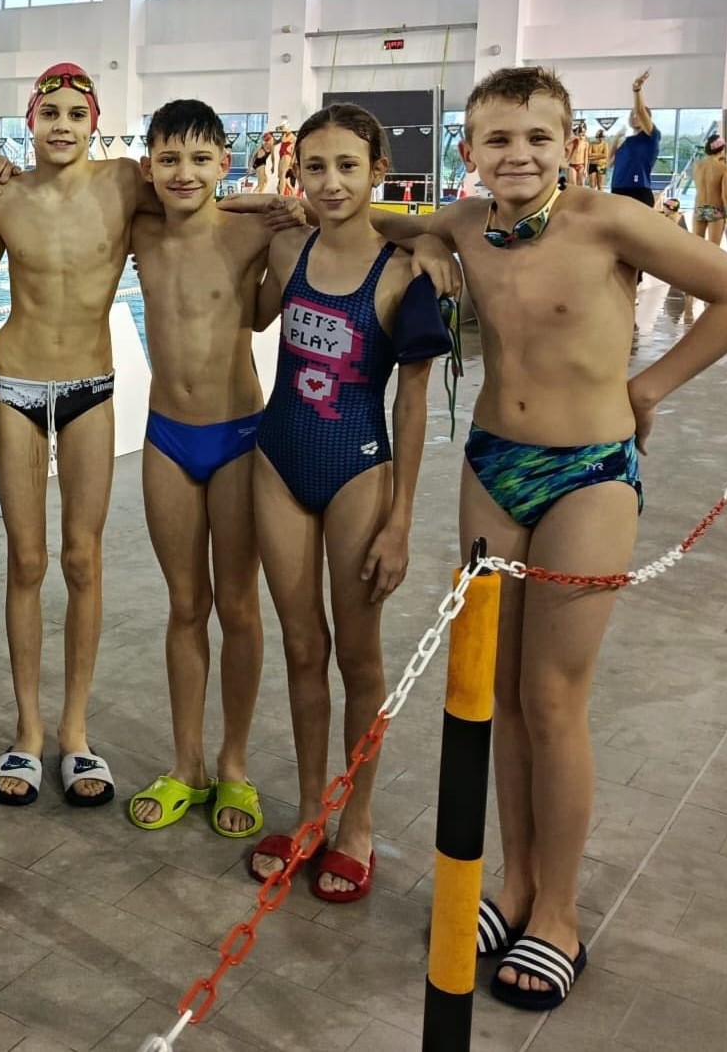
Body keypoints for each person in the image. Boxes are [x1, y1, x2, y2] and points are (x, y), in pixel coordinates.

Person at [376, 66, 727, 1010]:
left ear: (570, 146)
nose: (517, 155)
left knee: (553, 699)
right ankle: (514, 885)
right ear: (469, 150)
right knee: (499, 696)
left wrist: (648, 387)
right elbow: (380, 220)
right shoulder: (466, 222)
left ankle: (558, 912)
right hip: (492, 469)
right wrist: (390, 230)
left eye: (537, 138)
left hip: (588, 474)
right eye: (497, 139)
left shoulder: (608, 221)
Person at [243, 103, 445, 903]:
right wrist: (264, 206)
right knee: (302, 647)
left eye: (347, 167)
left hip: (359, 467)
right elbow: (252, 298)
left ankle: (355, 821)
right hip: (277, 458)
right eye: (315, 167)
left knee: (359, 655)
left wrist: (401, 518)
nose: (330, 183)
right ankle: (308, 814)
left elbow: (412, 405)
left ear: (378, 172)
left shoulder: (403, 273)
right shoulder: (287, 246)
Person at [0, 63, 146, 808]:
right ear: (30, 122)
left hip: (89, 386)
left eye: (77, 113)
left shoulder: (126, 181)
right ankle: (28, 730)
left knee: (82, 558)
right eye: (51, 114)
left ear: (95, 122)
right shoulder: (5, 195)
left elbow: (204, 202)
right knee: (26, 559)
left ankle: (75, 731)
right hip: (16, 384)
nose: (63, 125)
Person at [125, 100, 273, 838]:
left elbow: (343, 232)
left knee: (238, 606)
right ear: (148, 166)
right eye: (168, 159)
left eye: (199, 158)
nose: (183, 172)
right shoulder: (139, 230)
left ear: (224, 163)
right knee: (185, 604)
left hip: (240, 435)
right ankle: (187, 765)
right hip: (166, 438)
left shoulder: (253, 231)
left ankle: (234, 764)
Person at [607, 70, 659, 206]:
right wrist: (616, 138)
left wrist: (637, 89)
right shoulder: (627, 143)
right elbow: (609, 163)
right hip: (618, 190)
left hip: (638, 190)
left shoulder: (651, 137)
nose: (634, 116)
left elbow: (641, 110)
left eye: (637, 114)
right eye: (631, 114)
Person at [689, 135, 727, 250]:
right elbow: (726, 195)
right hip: (715, 209)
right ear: (721, 149)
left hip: (699, 208)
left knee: (697, 248)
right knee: (713, 250)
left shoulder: (697, 165)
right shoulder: (722, 168)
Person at [566, 122, 588, 188]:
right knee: (573, 185)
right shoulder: (573, 141)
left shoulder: (586, 143)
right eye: (580, 132)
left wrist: (585, 169)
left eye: (583, 132)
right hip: (572, 165)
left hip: (581, 165)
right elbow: (566, 148)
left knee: (581, 186)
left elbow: (586, 157)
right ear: (577, 132)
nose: (582, 134)